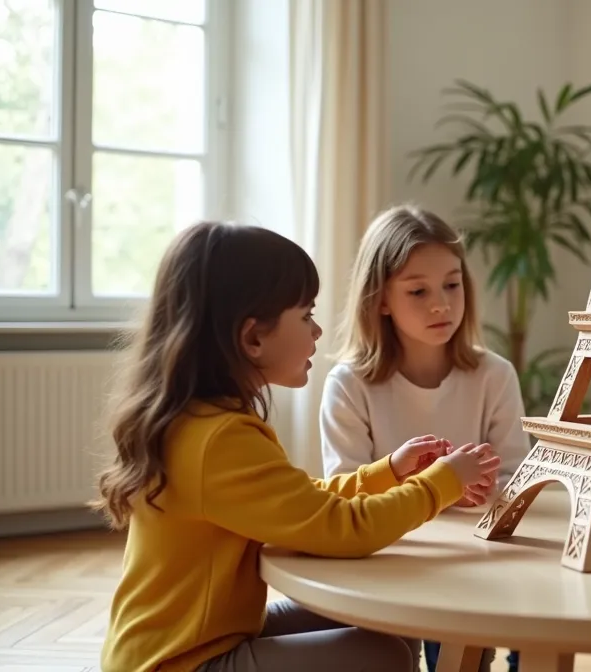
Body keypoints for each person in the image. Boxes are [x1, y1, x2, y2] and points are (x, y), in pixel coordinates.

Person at [94, 221, 500, 672]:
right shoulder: (220, 440)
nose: (318, 330)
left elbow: (302, 500)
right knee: (382, 655)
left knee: (393, 617)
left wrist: (387, 472)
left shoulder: (204, 423)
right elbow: (344, 529)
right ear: (252, 338)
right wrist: (442, 481)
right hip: (182, 661)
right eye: (306, 316)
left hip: (204, 636)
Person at [319, 204, 528, 671]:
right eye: (418, 291)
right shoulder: (348, 385)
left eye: (452, 285)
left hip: (475, 563)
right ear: (380, 299)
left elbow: (518, 478)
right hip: (388, 559)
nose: (441, 305)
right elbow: (346, 491)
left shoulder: (495, 375)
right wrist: (444, 487)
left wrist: (482, 491)